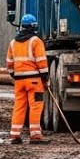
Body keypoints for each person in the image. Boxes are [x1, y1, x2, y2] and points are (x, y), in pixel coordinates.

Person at [5, 13, 50, 145]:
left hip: (19, 82)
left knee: (19, 106)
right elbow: (41, 62)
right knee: (35, 106)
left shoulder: (13, 43)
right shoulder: (36, 41)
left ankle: (15, 135)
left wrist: (14, 74)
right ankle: (35, 135)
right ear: (33, 26)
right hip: (34, 81)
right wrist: (45, 78)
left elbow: (9, 63)